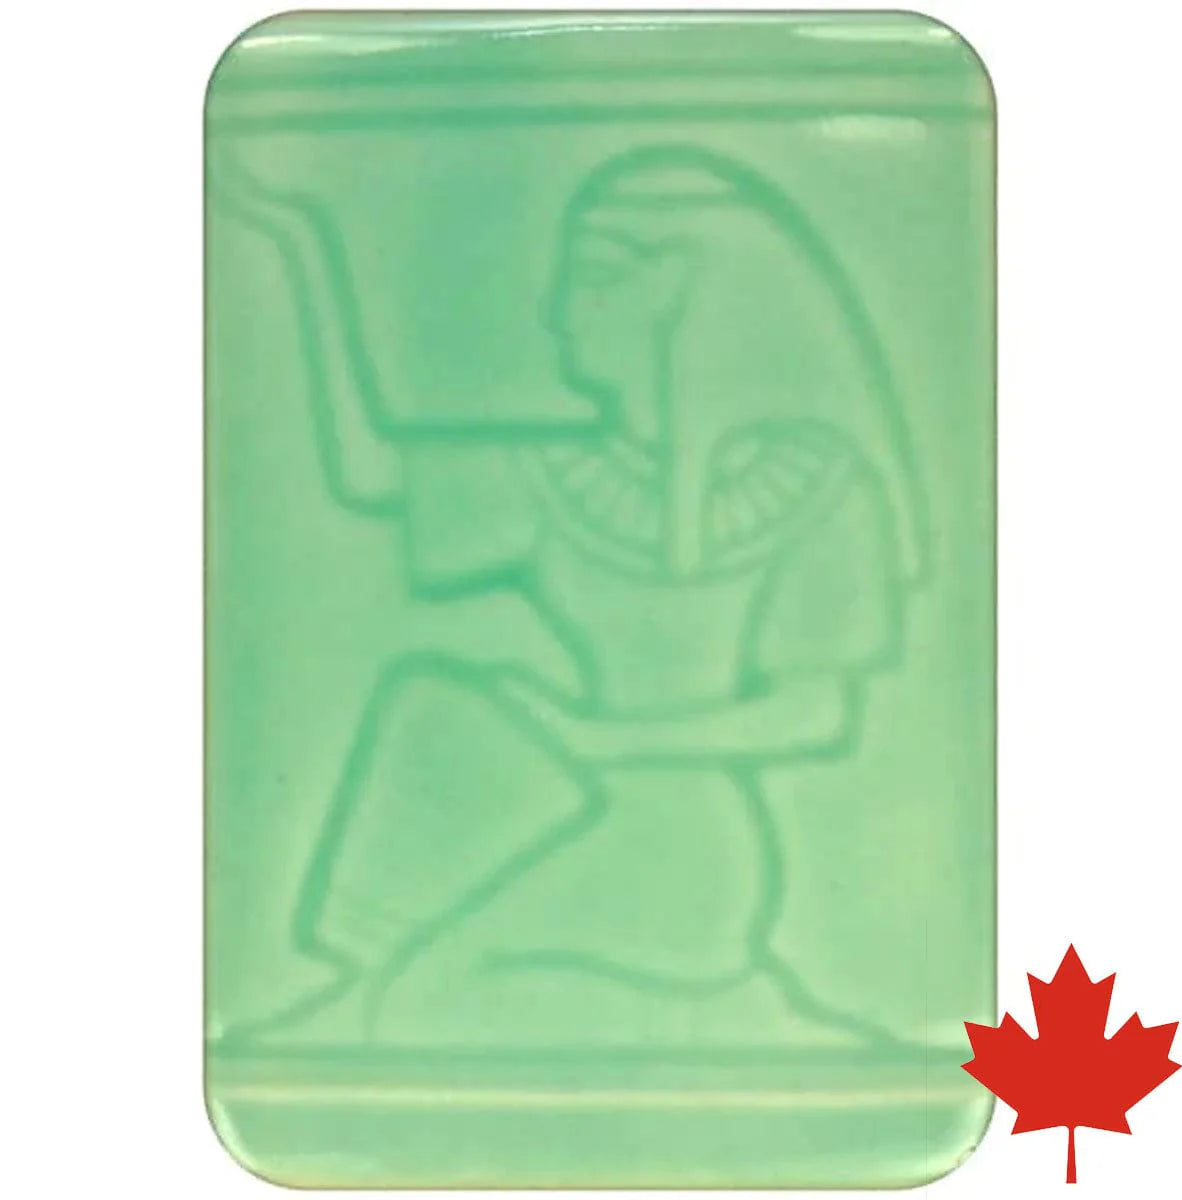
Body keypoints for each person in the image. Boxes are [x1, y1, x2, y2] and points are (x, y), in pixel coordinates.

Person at [216, 144, 926, 1049]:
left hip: (691, 845)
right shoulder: (556, 476)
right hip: (557, 804)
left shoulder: (820, 492)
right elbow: (371, 469)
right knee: (427, 724)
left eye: (588, 281)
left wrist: (601, 738)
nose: (555, 313)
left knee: (418, 1008)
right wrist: (300, 249)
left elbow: (814, 713)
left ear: (670, 293)